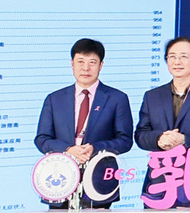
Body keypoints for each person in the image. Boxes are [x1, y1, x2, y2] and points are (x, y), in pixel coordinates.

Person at [34, 39, 135, 200]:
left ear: (101, 65)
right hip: (59, 179)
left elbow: (125, 141)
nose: (86, 68)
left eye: (92, 62)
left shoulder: (117, 98)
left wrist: (95, 148)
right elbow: (42, 139)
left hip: (99, 178)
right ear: (72, 64)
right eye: (80, 61)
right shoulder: (55, 99)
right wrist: (68, 149)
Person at [134, 36, 190, 201]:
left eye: (184, 56)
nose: (177, 61)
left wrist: (184, 139)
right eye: (172, 56)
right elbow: (141, 134)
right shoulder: (152, 96)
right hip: (160, 179)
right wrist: (158, 139)